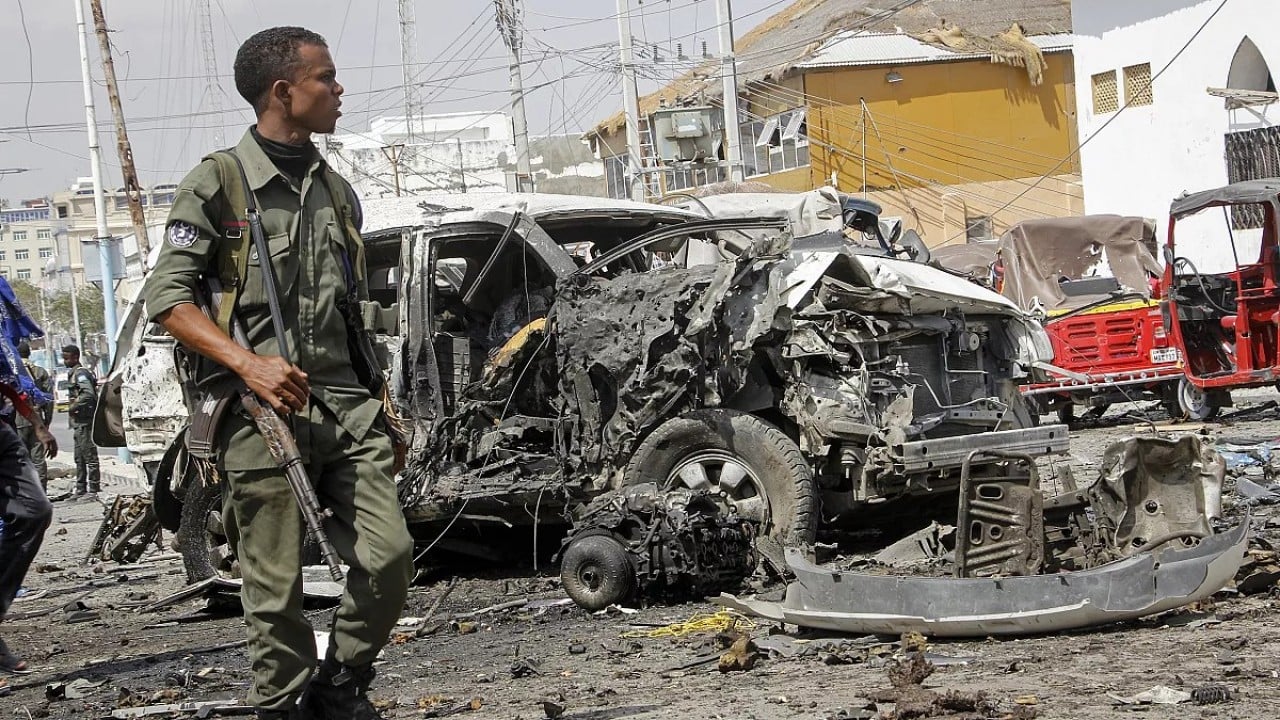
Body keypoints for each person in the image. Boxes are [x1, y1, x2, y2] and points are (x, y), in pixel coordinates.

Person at [143, 27, 412, 720]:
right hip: (255, 412)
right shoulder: (220, 184)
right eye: (326, 77)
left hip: (345, 407)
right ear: (282, 92)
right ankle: (284, 704)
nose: (339, 88)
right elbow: (167, 299)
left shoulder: (337, 191)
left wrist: (381, 403)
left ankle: (342, 683)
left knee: (389, 559)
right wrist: (249, 364)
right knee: (273, 585)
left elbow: (350, 311)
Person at [61, 345, 99, 497]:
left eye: (66, 358)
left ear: (75, 357)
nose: (64, 361)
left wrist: (73, 406)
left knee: (89, 456)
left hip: (84, 422)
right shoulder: (73, 374)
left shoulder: (81, 373)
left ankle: (94, 489)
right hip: (77, 423)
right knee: (79, 458)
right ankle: (81, 488)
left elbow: (88, 394)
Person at [14, 342, 52, 491]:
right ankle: (42, 491)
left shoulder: (13, 372)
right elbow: (48, 399)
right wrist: (46, 422)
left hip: (18, 419)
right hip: (36, 418)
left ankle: (28, 492)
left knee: (21, 459)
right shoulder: (40, 372)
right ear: (29, 353)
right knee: (38, 459)